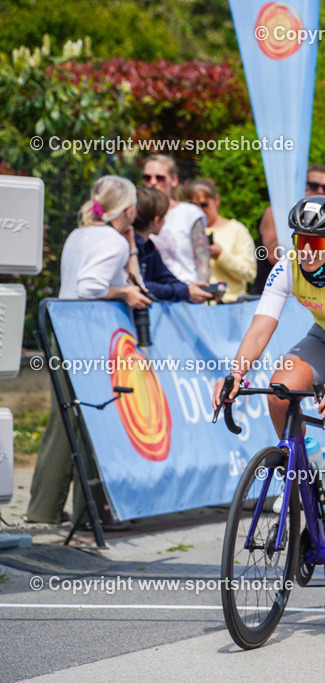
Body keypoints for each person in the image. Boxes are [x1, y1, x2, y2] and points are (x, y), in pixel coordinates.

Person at [213, 195, 325, 606]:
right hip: (323, 339)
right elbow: (261, 326)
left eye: (315, 243)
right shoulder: (289, 266)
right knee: (280, 391)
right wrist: (236, 373)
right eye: (300, 241)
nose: (306, 251)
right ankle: (308, 467)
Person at [25, 176, 151, 525]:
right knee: (94, 419)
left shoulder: (79, 235)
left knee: (63, 420)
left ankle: (45, 509)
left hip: (63, 332)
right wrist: (124, 292)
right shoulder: (112, 241)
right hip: (87, 336)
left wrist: (130, 251)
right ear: (128, 209)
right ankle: (89, 513)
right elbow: (89, 287)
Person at [251, 164, 325, 295]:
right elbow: (274, 255)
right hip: (272, 294)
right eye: (314, 186)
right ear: (300, 186)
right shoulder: (277, 211)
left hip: (311, 297)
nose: (320, 191)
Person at [132, 187, 213, 303]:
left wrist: (191, 290)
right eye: (164, 216)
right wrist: (184, 292)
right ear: (155, 221)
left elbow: (165, 276)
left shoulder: (148, 247)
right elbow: (140, 285)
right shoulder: (129, 246)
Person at [142, 154, 211, 285]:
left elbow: (202, 257)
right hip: (151, 290)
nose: (153, 182)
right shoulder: (137, 213)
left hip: (187, 289)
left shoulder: (190, 213)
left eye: (160, 178)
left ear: (174, 180)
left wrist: (202, 285)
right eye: (147, 177)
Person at [189, 178, 257, 303]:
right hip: (196, 307)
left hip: (231, 305)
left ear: (216, 200)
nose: (199, 211)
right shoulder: (186, 231)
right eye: (194, 206)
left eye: (204, 205)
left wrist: (221, 255)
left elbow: (249, 273)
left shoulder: (236, 230)